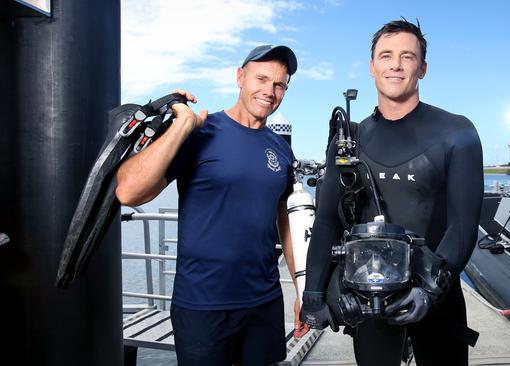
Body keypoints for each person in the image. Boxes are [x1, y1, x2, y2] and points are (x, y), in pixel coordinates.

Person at [301, 19, 483, 366]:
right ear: (372, 67)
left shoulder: (456, 132)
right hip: (368, 300)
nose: (395, 65)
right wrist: (313, 294)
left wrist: (430, 289)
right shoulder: (348, 141)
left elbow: (462, 226)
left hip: (435, 296)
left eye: (407, 56)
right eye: (386, 56)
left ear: (422, 68)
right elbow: (326, 222)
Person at [115, 44, 309, 365]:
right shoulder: (201, 131)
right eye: (261, 79)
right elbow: (130, 192)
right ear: (240, 77)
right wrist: (179, 127)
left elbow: (285, 222)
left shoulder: (281, 149)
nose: (269, 91)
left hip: (264, 300)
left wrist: (302, 289)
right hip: (203, 303)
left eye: (279, 85)